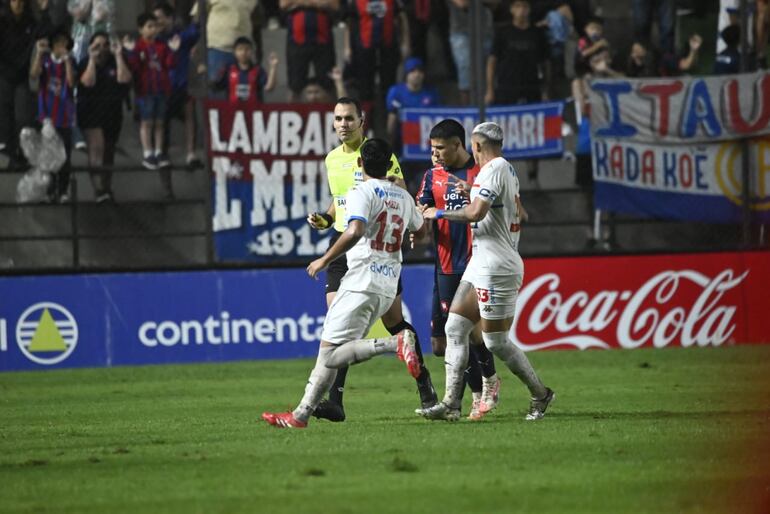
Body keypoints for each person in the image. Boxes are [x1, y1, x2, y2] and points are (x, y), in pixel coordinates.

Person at [261, 138, 429, 429]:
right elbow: (422, 230)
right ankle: (301, 415)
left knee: (329, 355)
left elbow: (355, 230)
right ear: (389, 164)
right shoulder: (403, 196)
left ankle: (394, 343)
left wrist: (324, 259)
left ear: (360, 164)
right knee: (336, 352)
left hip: (360, 280)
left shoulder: (360, 191)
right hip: (387, 284)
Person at [306, 97, 437, 422]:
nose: (343, 124)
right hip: (344, 242)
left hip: (376, 246)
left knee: (394, 322)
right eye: (338, 119)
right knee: (336, 324)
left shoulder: (377, 154)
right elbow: (341, 200)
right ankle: (334, 400)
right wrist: (326, 217)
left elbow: (398, 190)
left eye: (349, 118)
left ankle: (426, 387)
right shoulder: (332, 159)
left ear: (361, 120)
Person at [419, 121, 554, 422]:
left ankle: (541, 394)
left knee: (495, 342)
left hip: (498, 267)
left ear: (477, 146)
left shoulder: (493, 169)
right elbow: (511, 208)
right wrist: (471, 189)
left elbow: (475, 213)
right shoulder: (499, 171)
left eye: (473, 148)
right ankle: (451, 403)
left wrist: (437, 212)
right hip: (480, 262)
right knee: (455, 329)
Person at [414, 119, 501, 421]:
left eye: (440, 148)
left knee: (462, 333)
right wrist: (418, 229)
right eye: (432, 148)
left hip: (474, 265)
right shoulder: (431, 176)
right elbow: (422, 220)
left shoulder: (481, 174)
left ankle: (477, 393)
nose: (435, 154)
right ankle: (487, 378)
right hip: (445, 265)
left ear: (457, 145)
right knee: (440, 345)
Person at [485, 0, 548, 185]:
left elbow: (546, 63)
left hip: (531, 87)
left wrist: (545, 90)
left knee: (535, 130)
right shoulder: (503, 32)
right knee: (501, 131)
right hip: (506, 87)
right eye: (518, 7)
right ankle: (501, 175)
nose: (521, 11)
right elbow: (492, 62)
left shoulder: (537, 34)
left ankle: (533, 172)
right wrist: (490, 89)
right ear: (512, 10)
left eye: (525, 7)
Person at [123, 12, 181, 198]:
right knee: (146, 123)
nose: (153, 29)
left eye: (155, 26)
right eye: (149, 26)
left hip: (161, 91)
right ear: (140, 29)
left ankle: (158, 152)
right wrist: (132, 52)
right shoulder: (138, 46)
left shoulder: (162, 46)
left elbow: (170, 65)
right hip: (145, 91)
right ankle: (148, 153)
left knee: (159, 123)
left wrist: (173, 51)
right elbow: (134, 68)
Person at [77, 31, 130, 202]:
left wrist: (119, 55)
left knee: (108, 152)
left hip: (112, 113)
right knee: (96, 148)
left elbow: (124, 80)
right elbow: (87, 82)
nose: (102, 49)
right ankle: (98, 188)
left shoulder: (116, 62)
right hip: (90, 113)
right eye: (97, 46)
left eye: (105, 45)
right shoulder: (85, 62)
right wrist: (92, 59)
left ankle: (106, 186)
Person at [0, 0, 53, 169]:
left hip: (22, 75)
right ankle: (9, 152)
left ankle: (21, 154)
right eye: (15, 1)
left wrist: (44, 10)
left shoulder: (31, 22)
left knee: (23, 117)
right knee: (5, 116)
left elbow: (46, 33)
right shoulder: (2, 21)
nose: (18, 4)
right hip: (4, 74)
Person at [154, 1, 202, 171]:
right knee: (162, 123)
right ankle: (162, 155)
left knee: (190, 111)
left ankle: (191, 154)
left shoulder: (181, 36)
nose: (156, 23)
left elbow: (197, 28)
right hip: (161, 91)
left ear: (170, 18)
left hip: (181, 87)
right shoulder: (153, 40)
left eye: (159, 18)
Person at [29, 30, 75, 202]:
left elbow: (71, 82)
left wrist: (68, 60)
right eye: (58, 43)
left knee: (65, 156)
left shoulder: (70, 61)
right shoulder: (46, 61)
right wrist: (40, 52)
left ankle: (63, 191)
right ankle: (48, 191)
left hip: (64, 116)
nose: (61, 47)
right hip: (47, 116)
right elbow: (34, 74)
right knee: (48, 156)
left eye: (64, 44)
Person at [344, 0, 409, 103]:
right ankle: (366, 115)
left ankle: (388, 113)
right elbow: (349, 23)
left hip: (388, 46)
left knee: (388, 83)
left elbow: (402, 17)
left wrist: (405, 42)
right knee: (364, 85)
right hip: (364, 47)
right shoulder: (356, 2)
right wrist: (347, 47)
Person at [279, 0, 338, 102]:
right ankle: (292, 114)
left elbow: (335, 5)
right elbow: (283, 4)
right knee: (295, 85)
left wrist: (299, 3)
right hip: (297, 40)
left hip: (323, 39)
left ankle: (333, 114)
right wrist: (317, 4)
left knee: (328, 83)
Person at [385, 56, 439, 154]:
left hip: (426, 141)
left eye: (420, 71)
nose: (417, 74)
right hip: (402, 140)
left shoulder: (431, 93)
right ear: (406, 74)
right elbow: (391, 121)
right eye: (412, 71)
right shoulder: (396, 91)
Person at [447, 0, 497, 106]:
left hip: (485, 29)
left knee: (487, 67)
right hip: (461, 31)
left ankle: (487, 106)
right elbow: (462, 3)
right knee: (465, 67)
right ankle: (467, 109)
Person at [210, 37, 277, 103]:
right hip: (232, 111)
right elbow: (215, 86)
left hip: (254, 111)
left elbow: (269, 88)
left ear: (252, 51)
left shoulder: (258, 70)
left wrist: (273, 67)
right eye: (240, 49)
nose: (243, 52)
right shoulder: (228, 69)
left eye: (247, 49)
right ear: (234, 52)